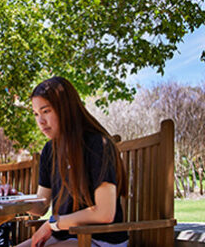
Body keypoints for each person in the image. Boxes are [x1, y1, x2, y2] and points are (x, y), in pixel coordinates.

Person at [17, 76, 129, 247]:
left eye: (46, 111)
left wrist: (53, 223)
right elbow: (41, 207)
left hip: (101, 240)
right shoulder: (49, 150)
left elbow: (104, 213)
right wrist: (14, 199)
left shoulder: (97, 144)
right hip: (65, 238)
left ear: (66, 109)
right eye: (36, 114)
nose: (40, 121)